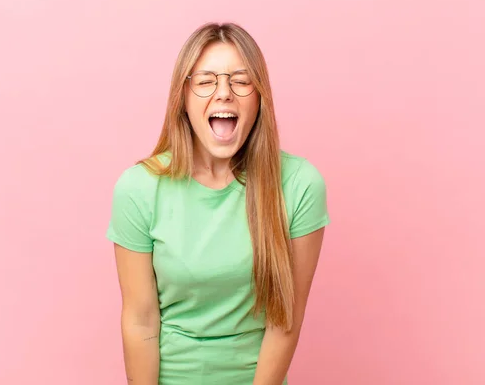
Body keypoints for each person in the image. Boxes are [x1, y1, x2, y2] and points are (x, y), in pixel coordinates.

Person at [106, 22, 330, 385]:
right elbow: (140, 320)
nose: (224, 93)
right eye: (206, 80)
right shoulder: (138, 188)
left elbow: (285, 321)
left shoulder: (300, 185)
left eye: (241, 81)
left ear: (260, 97)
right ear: (183, 96)